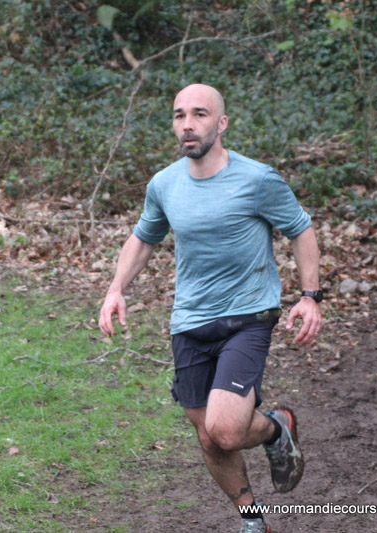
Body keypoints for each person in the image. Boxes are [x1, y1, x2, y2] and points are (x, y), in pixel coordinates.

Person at [98, 83, 322, 533]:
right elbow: (144, 238)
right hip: (189, 321)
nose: (188, 124)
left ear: (221, 123)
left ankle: (275, 428)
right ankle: (253, 521)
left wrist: (309, 296)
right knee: (209, 438)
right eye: (179, 115)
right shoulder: (164, 184)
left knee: (226, 429)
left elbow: (300, 229)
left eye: (199, 114)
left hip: (247, 316)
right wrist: (116, 288)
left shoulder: (257, 179)